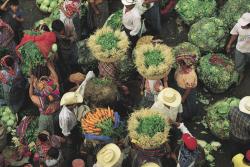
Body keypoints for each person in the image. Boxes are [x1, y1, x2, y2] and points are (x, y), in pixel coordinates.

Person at [29, 62, 60, 134]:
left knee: (49, 132)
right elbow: (55, 78)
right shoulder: (54, 88)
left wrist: (31, 83)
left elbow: (31, 95)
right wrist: (49, 65)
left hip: (48, 118)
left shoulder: (42, 102)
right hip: (58, 113)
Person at [52, 19, 78, 92]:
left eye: (63, 30)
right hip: (62, 57)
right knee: (65, 70)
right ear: (55, 31)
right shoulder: (53, 35)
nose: (62, 32)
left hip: (71, 50)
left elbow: (75, 36)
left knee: (73, 64)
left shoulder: (68, 27)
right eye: (60, 31)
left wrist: (68, 39)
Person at [59, 91, 84, 166]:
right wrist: (69, 140)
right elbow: (65, 132)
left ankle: (78, 151)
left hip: (74, 127)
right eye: (75, 104)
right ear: (71, 105)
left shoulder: (70, 108)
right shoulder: (65, 116)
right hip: (70, 133)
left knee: (78, 141)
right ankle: (70, 162)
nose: (76, 104)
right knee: (71, 150)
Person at [226, 12, 250, 84]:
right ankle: (241, 74)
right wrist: (229, 44)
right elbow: (234, 35)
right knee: (238, 64)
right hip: (240, 49)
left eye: (244, 25)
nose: (242, 26)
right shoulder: (238, 25)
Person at [174, 55, 199, 121]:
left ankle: (187, 117)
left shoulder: (190, 75)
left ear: (187, 66)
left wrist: (183, 98)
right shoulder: (181, 67)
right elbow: (177, 60)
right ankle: (181, 114)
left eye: (182, 65)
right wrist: (182, 58)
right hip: (181, 88)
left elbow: (188, 89)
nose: (181, 66)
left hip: (187, 91)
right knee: (181, 102)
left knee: (188, 104)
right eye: (181, 64)